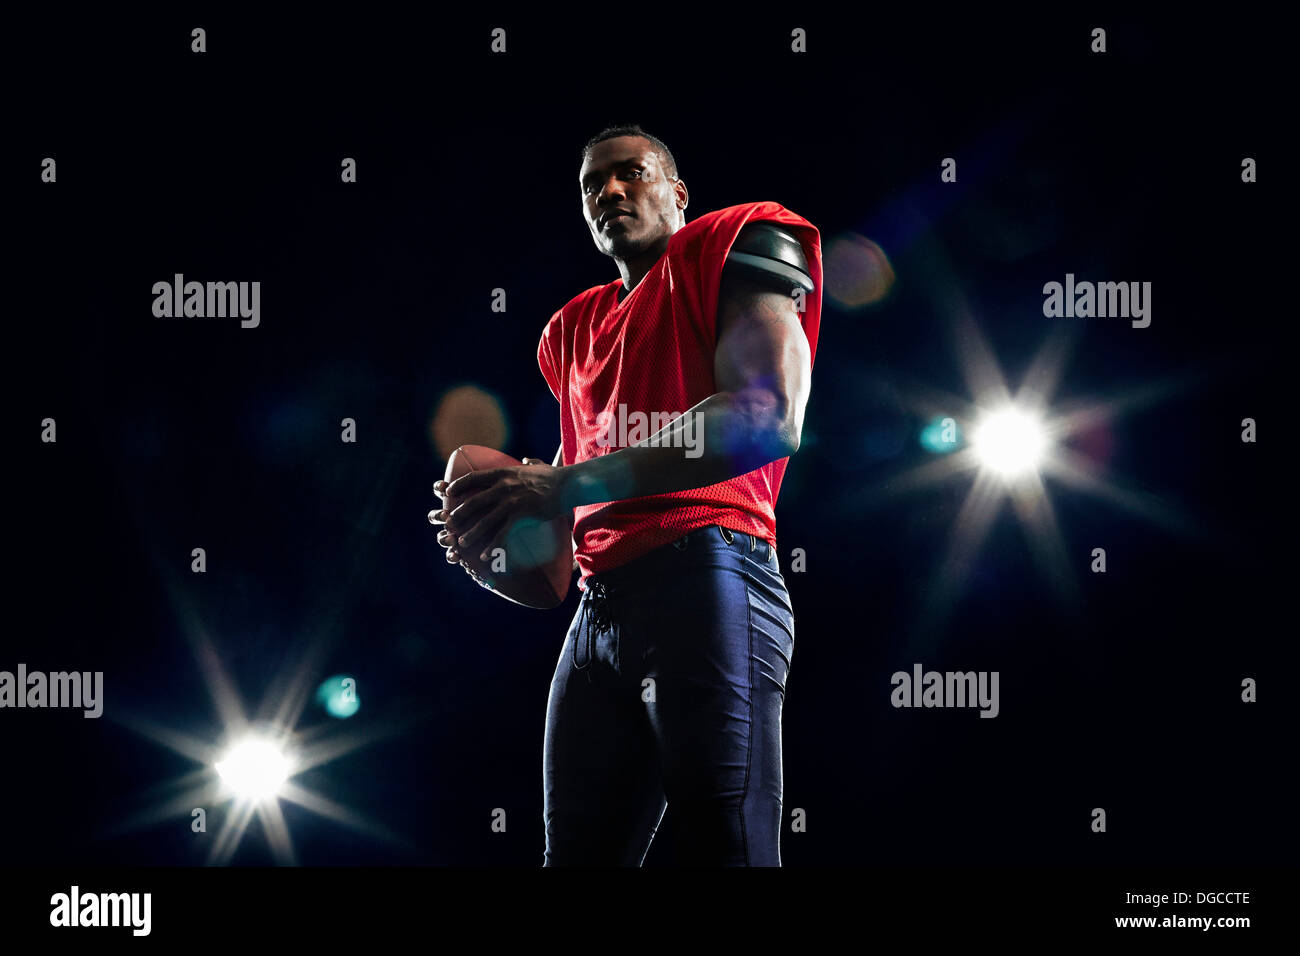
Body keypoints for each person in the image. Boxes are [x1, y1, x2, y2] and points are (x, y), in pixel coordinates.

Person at [431, 124, 822, 865]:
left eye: (630, 173)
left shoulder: (732, 241)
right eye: (591, 185)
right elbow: (568, 505)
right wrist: (500, 526)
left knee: (728, 847)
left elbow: (767, 416)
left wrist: (559, 483)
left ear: (676, 192)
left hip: (710, 567)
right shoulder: (570, 330)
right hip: (597, 607)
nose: (610, 191)